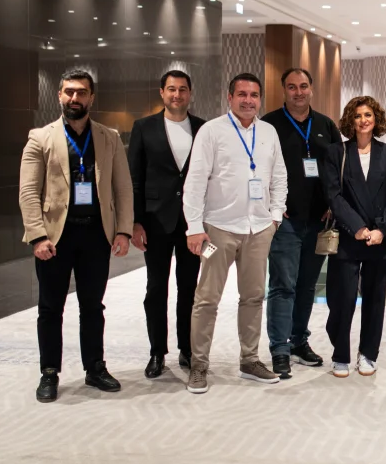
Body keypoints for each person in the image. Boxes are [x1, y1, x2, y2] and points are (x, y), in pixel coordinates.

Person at [18, 69, 133, 403]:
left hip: (96, 235)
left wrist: (123, 230)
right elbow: (28, 192)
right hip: (55, 237)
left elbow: (123, 188)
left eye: (81, 92)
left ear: (91, 97)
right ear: (59, 95)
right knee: (50, 307)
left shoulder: (109, 137)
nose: (74, 98)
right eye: (69, 92)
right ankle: (49, 372)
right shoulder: (40, 138)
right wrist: (37, 236)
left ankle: (95, 367)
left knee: (93, 306)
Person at [182, 73, 287, 393]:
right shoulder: (212, 131)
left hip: (258, 229)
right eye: (242, 94)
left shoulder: (268, 132)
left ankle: (250, 360)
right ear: (229, 98)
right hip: (218, 230)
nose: (248, 100)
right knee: (207, 299)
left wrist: (275, 217)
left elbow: (279, 176)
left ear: (260, 99)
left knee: (253, 297)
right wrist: (194, 227)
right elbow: (195, 181)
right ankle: (199, 365)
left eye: (254, 95)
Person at [262, 68, 342, 379]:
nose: (298, 92)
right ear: (284, 90)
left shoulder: (325, 125)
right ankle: (279, 348)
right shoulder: (269, 125)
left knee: (307, 285)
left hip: (319, 221)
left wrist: (333, 205)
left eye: (303, 86)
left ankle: (298, 341)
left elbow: (337, 169)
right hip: (285, 221)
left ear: (311, 89)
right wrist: (271, 204)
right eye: (292, 87)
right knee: (283, 285)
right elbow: (259, 168)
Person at [128, 70, 206, 378]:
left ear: (190, 93)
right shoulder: (143, 128)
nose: (177, 94)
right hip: (155, 221)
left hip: (192, 224)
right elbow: (134, 179)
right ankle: (157, 352)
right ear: (162, 92)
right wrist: (135, 222)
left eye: (182, 89)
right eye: (171, 89)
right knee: (156, 289)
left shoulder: (203, 128)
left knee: (189, 288)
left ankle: (187, 349)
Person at [321, 96, 386, 378]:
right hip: (348, 236)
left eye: (368, 115)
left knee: (375, 301)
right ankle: (340, 355)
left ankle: (368, 354)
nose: (363, 120)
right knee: (341, 300)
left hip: (379, 238)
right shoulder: (336, 152)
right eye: (357, 116)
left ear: (376, 119)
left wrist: (381, 229)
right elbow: (333, 195)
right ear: (349, 121)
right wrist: (357, 227)